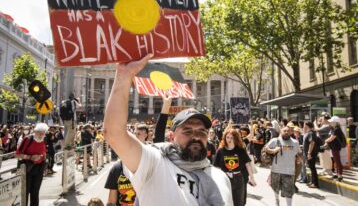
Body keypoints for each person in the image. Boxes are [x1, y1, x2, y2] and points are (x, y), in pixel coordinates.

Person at [104, 54, 233, 206]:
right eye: (187, 131)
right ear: (171, 136)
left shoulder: (221, 178)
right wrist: (123, 76)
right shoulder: (154, 164)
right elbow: (114, 134)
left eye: (201, 132)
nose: (195, 136)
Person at [214, 128, 256, 206]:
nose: (229, 140)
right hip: (225, 178)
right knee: (226, 202)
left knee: (239, 202)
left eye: (231, 138)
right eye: (227, 137)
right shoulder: (220, 151)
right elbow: (216, 167)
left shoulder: (240, 150)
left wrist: (251, 177)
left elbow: (247, 164)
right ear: (225, 137)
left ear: (235, 139)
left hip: (238, 178)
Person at [265, 126, 300, 206]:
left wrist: (299, 158)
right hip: (276, 170)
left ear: (291, 132)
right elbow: (265, 149)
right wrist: (273, 150)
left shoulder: (295, 142)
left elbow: (299, 153)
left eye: (288, 131)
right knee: (275, 188)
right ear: (281, 131)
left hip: (289, 171)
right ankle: (277, 200)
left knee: (289, 191)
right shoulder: (275, 141)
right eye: (284, 131)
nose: (286, 132)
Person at [15, 123, 48, 206]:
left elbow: (44, 152)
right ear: (35, 131)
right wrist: (30, 157)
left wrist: (45, 165)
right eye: (39, 132)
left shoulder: (44, 139)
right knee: (25, 192)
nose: (41, 134)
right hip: (27, 168)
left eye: (43, 133)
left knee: (35, 192)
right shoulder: (27, 139)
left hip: (39, 168)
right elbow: (17, 154)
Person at [325, 116, 344, 182]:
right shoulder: (335, 128)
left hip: (336, 147)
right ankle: (337, 173)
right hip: (334, 147)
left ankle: (340, 175)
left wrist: (326, 141)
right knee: (336, 161)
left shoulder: (336, 129)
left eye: (331, 122)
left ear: (335, 122)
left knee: (337, 161)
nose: (330, 123)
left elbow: (331, 138)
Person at [302, 122, 319, 188]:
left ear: (307, 125)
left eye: (304, 125)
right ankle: (312, 182)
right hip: (308, 153)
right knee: (311, 168)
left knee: (312, 168)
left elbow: (312, 143)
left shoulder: (311, 133)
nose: (303, 126)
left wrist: (309, 153)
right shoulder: (309, 133)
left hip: (311, 153)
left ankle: (315, 183)